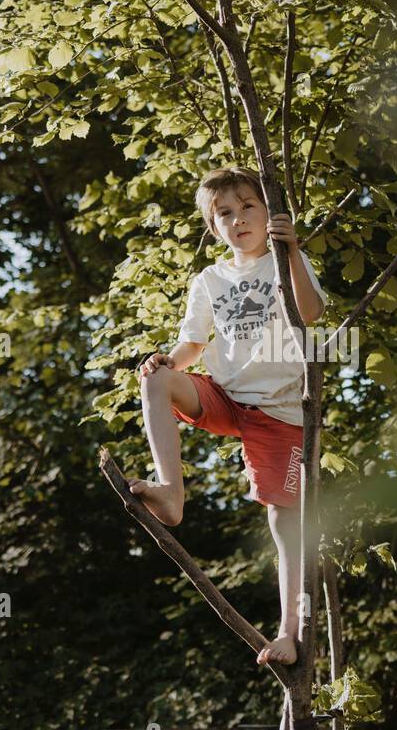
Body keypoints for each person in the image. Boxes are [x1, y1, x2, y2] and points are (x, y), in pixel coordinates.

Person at [127, 166, 329, 666]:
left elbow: (310, 313)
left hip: (279, 411)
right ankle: (171, 491)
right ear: (212, 227)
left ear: (267, 213)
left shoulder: (286, 261)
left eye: (247, 207)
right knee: (154, 379)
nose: (238, 219)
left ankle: (287, 634)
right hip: (224, 394)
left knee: (285, 523)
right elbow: (192, 344)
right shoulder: (210, 279)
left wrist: (295, 250)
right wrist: (167, 363)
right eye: (224, 214)